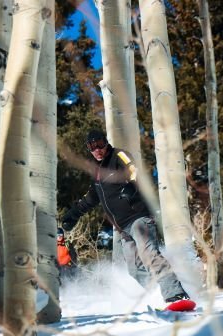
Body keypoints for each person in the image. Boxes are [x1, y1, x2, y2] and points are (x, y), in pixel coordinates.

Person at [61, 129, 193, 307]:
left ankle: (176, 294)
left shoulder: (118, 155)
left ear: (105, 142)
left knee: (150, 255)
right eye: (92, 147)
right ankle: (155, 294)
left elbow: (134, 170)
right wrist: (73, 214)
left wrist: (131, 186)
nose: (97, 149)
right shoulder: (97, 172)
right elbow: (91, 197)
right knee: (134, 268)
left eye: (100, 144)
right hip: (123, 229)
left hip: (139, 218)